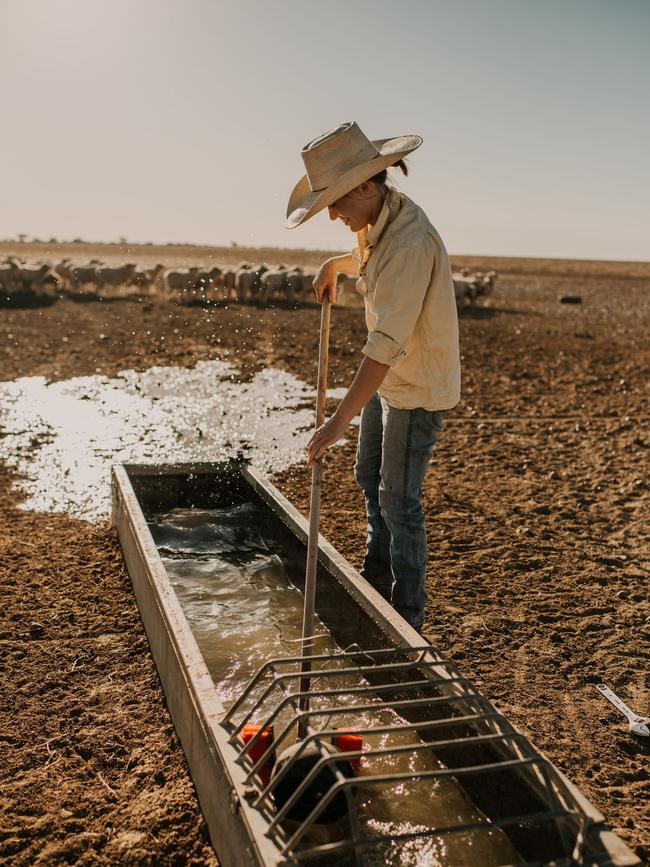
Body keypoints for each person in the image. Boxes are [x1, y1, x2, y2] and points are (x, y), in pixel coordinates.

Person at [285, 121, 460, 631]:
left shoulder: (408, 243)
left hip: (416, 388)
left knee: (398, 500)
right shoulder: (381, 222)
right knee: (369, 477)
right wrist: (335, 264)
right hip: (392, 382)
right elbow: (366, 259)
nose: (334, 215)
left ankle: (408, 612)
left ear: (366, 186)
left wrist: (338, 421)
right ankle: (376, 575)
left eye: (336, 203)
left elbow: (384, 346)